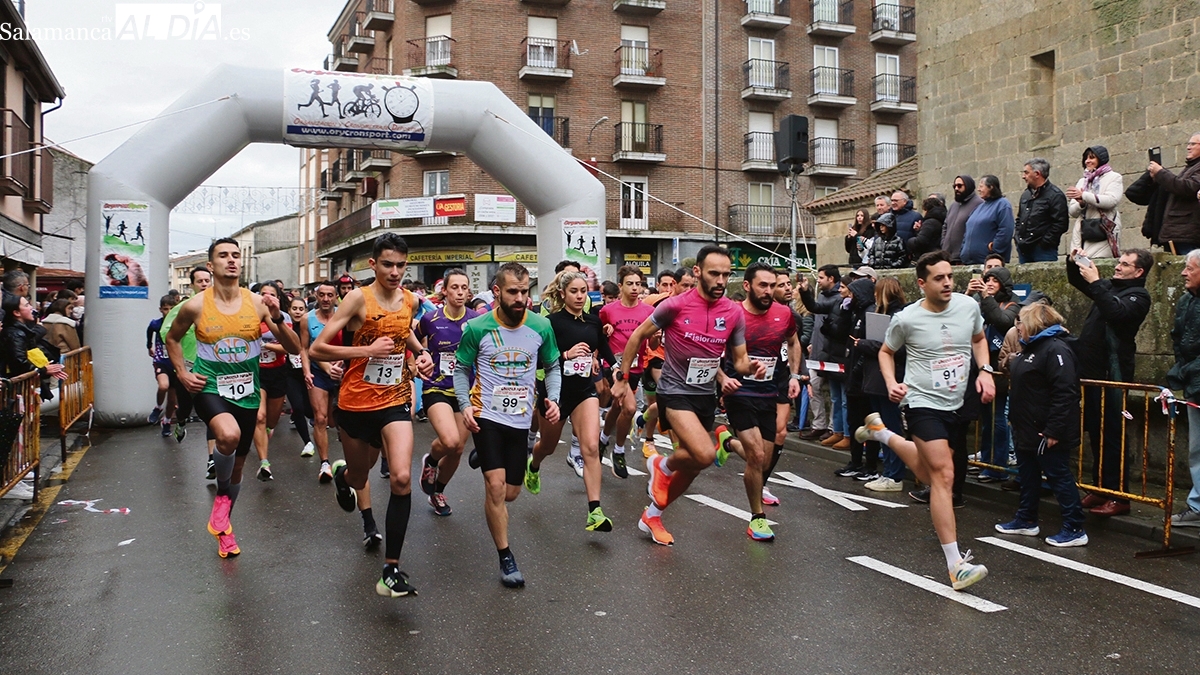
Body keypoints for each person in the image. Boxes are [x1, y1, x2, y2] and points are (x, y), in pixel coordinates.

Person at [857, 250, 993, 591]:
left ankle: (881, 433)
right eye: (938, 278)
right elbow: (885, 352)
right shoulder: (907, 318)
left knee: (926, 473)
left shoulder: (968, 307)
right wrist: (891, 384)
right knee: (943, 474)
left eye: (950, 276)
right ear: (922, 283)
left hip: (956, 401)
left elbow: (978, 340)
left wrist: (986, 370)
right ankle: (955, 565)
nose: (947, 282)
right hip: (921, 402)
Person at [613, 245, 766, 546]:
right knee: (705, 452)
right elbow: (637, 336)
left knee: (695, 465)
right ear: (697, 272)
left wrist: (752, 368)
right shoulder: (675, 305)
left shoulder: (733, 313)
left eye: (726, 274)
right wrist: (623, 376)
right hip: (674, 390)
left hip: (704, 394)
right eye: (714, 273)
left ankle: (654, 514)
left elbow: (739, 361)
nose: (721, 280)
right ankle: (662, 465)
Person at [311, 234, 434, 597]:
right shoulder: (356, 299)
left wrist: (420, 354)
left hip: (395, 399)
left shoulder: (410, 300)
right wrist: (366, 348)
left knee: (400, 478)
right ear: (373, 265)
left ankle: (391, 570)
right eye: (387, 265)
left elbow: (403, 333)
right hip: (354, 405)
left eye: (400, 265)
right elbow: (318, 348)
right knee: (359, 476)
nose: (395, 272)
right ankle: (341, 474)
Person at [165, 238, 300, 559]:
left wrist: (278, 318)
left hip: (248, 392)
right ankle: (223, 499)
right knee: (228, 435)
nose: (231, 260)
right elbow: (172, 338)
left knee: (238, 468)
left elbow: (295, 349)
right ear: (211, 266)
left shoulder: (257, 304)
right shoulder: (196, 305)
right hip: (210, 387)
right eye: (223, 256)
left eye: (236, 255)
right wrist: (183, 373)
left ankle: (224, 525)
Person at [454, 262, 561, 587]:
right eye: (513, 291)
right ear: (497, 292)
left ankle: (485, 460)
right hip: (487, 416)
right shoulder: (478, 328)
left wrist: (553, 398)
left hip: (519, 421)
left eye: (524, 291)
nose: (520, 298)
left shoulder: (541, 327)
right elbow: (461, 370)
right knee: (496, 488)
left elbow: (553, 366)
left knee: (512, 492)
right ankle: (505, 556)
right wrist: (464, 406)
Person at [713, 264, 801, 540]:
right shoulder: (732, 313)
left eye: (772, 285)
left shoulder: (784, 313)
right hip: (739, 391)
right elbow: (709, 348)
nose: (769, 291)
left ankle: (727, 442)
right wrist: (723, 378)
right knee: (757, 455)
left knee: (763, 459)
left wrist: (795, 376)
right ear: (748, 286)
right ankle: (757, 517)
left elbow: (794, 342)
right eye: (763, 285)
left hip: (769, 393)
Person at [524, 270, 617, 532]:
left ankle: (595, 511)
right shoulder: (550, 323)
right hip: (554, 394)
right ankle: (534, 464)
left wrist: (614, 368)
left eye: (583, 291)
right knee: (549, 446)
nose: (579, 296)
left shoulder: (593, 322)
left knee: (590, 448)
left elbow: (605, 349)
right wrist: (566, 354)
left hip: (584, 391)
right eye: (573, 291)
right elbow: (539, 359)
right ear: (563, 294)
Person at [1066, 248, 1152, 517]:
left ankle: (1119, 495)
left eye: (1125, 264)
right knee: (1097, 433)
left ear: (1138, 272)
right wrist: (1074, 263)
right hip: (1092, 373)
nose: (1118, 267)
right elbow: (1079, 281)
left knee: (1113, 435)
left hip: (1112, 376)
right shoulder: (1110, 288)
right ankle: (1101, 488)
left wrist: (1096, 282)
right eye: (1119, 262)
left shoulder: (1138, 296)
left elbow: (1116, 313)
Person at [996, 302, 1088, 547]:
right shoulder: (1031, 348)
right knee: (1028, 476)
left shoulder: (1056, 350)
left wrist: (1053, 429)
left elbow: (1065, 392)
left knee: (1058, 476)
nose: (1018, 327)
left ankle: (1074, 526)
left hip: (1045, 429)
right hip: (1026, 427)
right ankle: (1026, 519)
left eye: (1021, 323)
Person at [414, 268, 478, 517]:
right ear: (444, 291)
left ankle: (437, 491)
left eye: (464, 287)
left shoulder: (476, 321)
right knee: (449, 441)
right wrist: (420, 359)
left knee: (458, 448)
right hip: (436, 387)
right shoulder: (431, 319)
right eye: (455, 287)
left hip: (464, 392)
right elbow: (414, 343)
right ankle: (430, 461)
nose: (460, 292)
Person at [598, 266, 654, 478]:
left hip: (636, 367)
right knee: (629, 408)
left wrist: (657, 339)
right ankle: (619, 451)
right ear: (620, 286)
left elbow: (653, 340)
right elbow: (599, 337)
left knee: (616, 405)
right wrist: (603, 335)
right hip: (614, 367)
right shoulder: (608, 310)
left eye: (638, 284)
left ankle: (603, 440)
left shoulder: (648, 312)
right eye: (629, 283)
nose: (634, 288)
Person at [966, 266, 1019, 483]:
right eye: (986, 280)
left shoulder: (1013, 305)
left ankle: (998, 466)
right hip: (982, 369)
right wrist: (968, 294)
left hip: (999, 373)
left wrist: (985, 297)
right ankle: (986, 461)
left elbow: (1003, 320)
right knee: (986, 420)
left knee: (998, 420)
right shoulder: (981, 303)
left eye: (994, 281)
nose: (989, 283)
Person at [856, 278, 908, 492]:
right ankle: (888, 472)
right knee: (883, 427)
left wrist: (864, 344)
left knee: (891, 428)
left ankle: (894, 475)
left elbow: (896, 348)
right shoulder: (886, 315)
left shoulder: (899, 317)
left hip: (889, 380)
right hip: (878, 380)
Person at [829, 275, 878, 480]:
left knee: (869, 424)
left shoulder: (870, 314)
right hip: (852, 376)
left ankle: (870, 465)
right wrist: (845, 312)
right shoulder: (856, 313)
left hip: (863, 379)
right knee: (854, 422)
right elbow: (841, 335)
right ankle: (855, 461)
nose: (849, 297)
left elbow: (870, 346)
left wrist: (857, 370)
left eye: (853, 294)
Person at [248, 281, 295, 482]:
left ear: (278, 297)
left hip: (278, 372)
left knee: (272, 420)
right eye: (263, 294)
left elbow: (289, 347)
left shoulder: (282, 318)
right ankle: (264, 463)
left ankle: (265, 433)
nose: (266, 297)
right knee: (260, 416)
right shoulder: (249, 317)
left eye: (271, 294)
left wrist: (265, 345)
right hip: (256, 372)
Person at [1168, 249, 1200, 528]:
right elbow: (1178, 338)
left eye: (1190, 268)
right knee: (1197, 448)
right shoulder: (1186, 301)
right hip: (1193, 385)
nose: (1183, 273)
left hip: (1194, 378)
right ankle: (1197, 506)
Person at [300, 280, 341, 482]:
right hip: (318, 373)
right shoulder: (307, 319)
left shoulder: (344, 316)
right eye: (322, 295)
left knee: (336, 421)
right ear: (316, 296)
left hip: (342, 373)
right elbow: (304, 348)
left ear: (336, 297)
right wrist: (306, 371)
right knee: (321, 419)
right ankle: (325, 463)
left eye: (330, 295)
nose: (326, 299)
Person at [797, 266, 841, 444]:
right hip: (816, 351)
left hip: (831, 353)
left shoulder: (839, 298)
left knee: (834, 392)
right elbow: (816, 317)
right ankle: (819, 424)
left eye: (821, 277)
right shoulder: (822, 295)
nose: (819, 280)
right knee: (813, 386)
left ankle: (833, 428)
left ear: (831, 279)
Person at [1067, 145, 1124, 260]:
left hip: (1104, 228)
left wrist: (1084, 195)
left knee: (1099, 264)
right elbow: (1072, 212)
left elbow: (1111, 200)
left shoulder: (1114, 177)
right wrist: (1081, 203)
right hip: (1084, 230)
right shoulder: (1083, 181)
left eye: (1092, 158)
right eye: (1086, 158)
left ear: (1101, 159)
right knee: (1079, 263)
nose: (1087, 161)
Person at [1149, 132, 1200, 255]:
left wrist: (1161, 173)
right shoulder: (1191, 167)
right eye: (1188, 144)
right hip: (1179, 233)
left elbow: (1187, 188)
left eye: (1193, 144)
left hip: (1187, 233)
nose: (1188, 147)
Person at [1014, 158, 1069, 263]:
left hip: (1044, 252)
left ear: (1037, 174)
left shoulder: (1055, 195)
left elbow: (1060, 224)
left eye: (1026, 172)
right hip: (1024, 250)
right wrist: (1017, 238)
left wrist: (1044, 243)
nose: (1023, 176)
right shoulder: (1026, 195)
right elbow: (1019, 219)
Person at [284, 296, 315, 458]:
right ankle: (307, 442)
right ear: (289, 310)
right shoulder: (285, 327)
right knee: (298, 407)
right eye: (294, 309)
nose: (297, 312)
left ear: (306, 311)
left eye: (301, 309)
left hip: (309, 372)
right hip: (291, 374)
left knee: (310, 410)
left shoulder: (309, 327)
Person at [960, 175, 1014, 264]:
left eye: (981, 186)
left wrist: (995, 249)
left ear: (991, 187)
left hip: (989, 262)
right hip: (969, 261)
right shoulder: (978, 207)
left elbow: (1006, 230)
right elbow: (967, 231)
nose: (978, 189)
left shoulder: (1003, 204)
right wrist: (963, 250)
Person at [147, 294, 180, 435]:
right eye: (166, 309)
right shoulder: (156, 324)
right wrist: (149, 346)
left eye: (172, 309)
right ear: (161, 309)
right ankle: (158, 407)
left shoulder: (179, 325)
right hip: (161, 360)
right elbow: (149, 330)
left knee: (172, 399)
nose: (168, 312)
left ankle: (166, 421)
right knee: (163, 385)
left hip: (176, 363)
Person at [942, 175, 983, 265]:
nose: (956, 188)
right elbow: (945, 226)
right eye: (954, 186)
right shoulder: (954, 205)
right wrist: (944, 243)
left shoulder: (979, 204)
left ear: (968, 186)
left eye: (960, 186)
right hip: (948, 256)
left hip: (964, 258)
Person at [907, 194, 947, 260]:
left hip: (929, 256)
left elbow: (920, 242)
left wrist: (909, 241)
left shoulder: (930, 222)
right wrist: (919, 230)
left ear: (926, 209)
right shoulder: (941, 217)